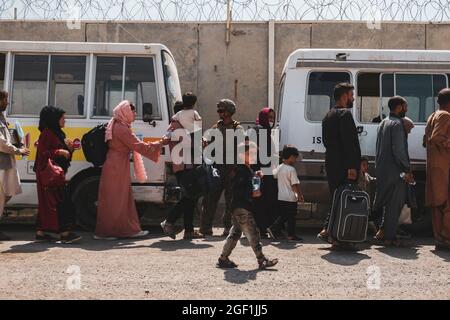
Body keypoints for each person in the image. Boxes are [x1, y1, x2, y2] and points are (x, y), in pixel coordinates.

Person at [95, 100, 161, 240]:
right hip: (117, 167)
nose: (135, 114)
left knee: (114, 199)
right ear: (125, 112)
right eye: (132, 111)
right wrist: (158, 144)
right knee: (118, 200)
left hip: (114, 164)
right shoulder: (122, 128)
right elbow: (138, 145)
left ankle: (110, 231)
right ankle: (120, 230)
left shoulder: (117, 125)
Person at [216, 141, 278, 270]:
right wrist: (252, 191)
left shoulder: (245, 169)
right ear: (241, 155)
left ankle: (223, 259)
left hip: (237, 206)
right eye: (251, 153)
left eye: (255, 153)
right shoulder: (241, 170)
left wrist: (255, 176)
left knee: (235, 233)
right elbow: (239, 189)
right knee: (253, 233)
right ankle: (262, 259)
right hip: (242, 206)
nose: (254, 156)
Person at [317, 83, 361, 244]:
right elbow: (349, 143)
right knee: (344, 200)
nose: (353, 98)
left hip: (332, 163)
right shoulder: (344, 115)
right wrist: (351, 167)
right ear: (344, 96)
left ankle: (328, 230)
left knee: (336, 197)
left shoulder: (328, 115)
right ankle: (337, 236)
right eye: (351, 95)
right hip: (344, 165)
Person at [34, 106, 81, 243]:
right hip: (48, 174)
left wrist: (69, 149)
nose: (65, 121)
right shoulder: (48, 133)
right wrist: (59, 152)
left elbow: (62, 155)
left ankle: (41, 232)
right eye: (62, 118)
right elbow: (43, 154)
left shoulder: (57, 133)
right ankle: (65, 234)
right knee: (61, 201)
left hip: (54, 173)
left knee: (47, 203)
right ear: (54, 119)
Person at [373, 96, 414, 247]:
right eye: (405, 106)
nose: (407, 109)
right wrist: (407, 169)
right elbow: (399, 150)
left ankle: (383, 231)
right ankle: (390, 238)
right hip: (397, 171)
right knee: (394, 204)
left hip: (383, 170)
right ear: (399, 107)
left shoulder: (383, 122)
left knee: (388, 203)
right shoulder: (397, 124)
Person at [160, 100, 204, 240]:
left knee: (190, 198)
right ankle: (169, 221)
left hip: (183, 166)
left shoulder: (177, 126)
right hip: (185, 166)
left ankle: (189, 230)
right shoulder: (177, 126)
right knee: (189, 197)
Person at [200, 99, 244, 237]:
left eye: (222, 110)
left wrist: (236, 169)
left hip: (231, 168)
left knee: (231, 200)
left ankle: (228, 227)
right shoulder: (215, 128)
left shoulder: (238, 129)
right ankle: (205, 228)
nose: (219, 113)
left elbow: (241, 150)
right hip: (217, 168)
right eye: (218, 110)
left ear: (230, 111)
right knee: (209, 200)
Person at [0, 90, 29, 241]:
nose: (7, 103)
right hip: (1, 165)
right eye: (5, 100)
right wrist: (18, 150)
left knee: (7, 194)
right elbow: (2, 143)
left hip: (5, 163)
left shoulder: (2, 119)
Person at [424, 88, 450, 250]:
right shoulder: (446, 116)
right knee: (446, 203)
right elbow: (436, 137)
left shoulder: (432, 115)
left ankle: (440, 238)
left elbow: (427, 139)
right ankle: (446, 238)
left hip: (435, 166)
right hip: (444, 167)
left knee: (438, 204)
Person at [249, 107, 279, 238]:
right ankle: (261, 229)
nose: (271, 120)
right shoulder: (256, 131)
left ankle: (265, 227)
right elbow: (251, 151)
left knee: (267, 200)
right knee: (260, 201)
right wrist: (256, 170)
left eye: (273, 118)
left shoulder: (267, 131)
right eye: (269, 118)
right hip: (259, 172)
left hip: (268, 172)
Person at [267, 145, 304, 241]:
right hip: (291, 197)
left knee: (284, 215)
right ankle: (290, 234)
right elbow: (295, 184)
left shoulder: (280, 167)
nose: (295, 160)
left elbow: (274, 175)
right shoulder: (292, 170)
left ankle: (274, 228)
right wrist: (299, 196)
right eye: (295, 158)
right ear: (291, 157)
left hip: (281, 197)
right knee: (291, 218)